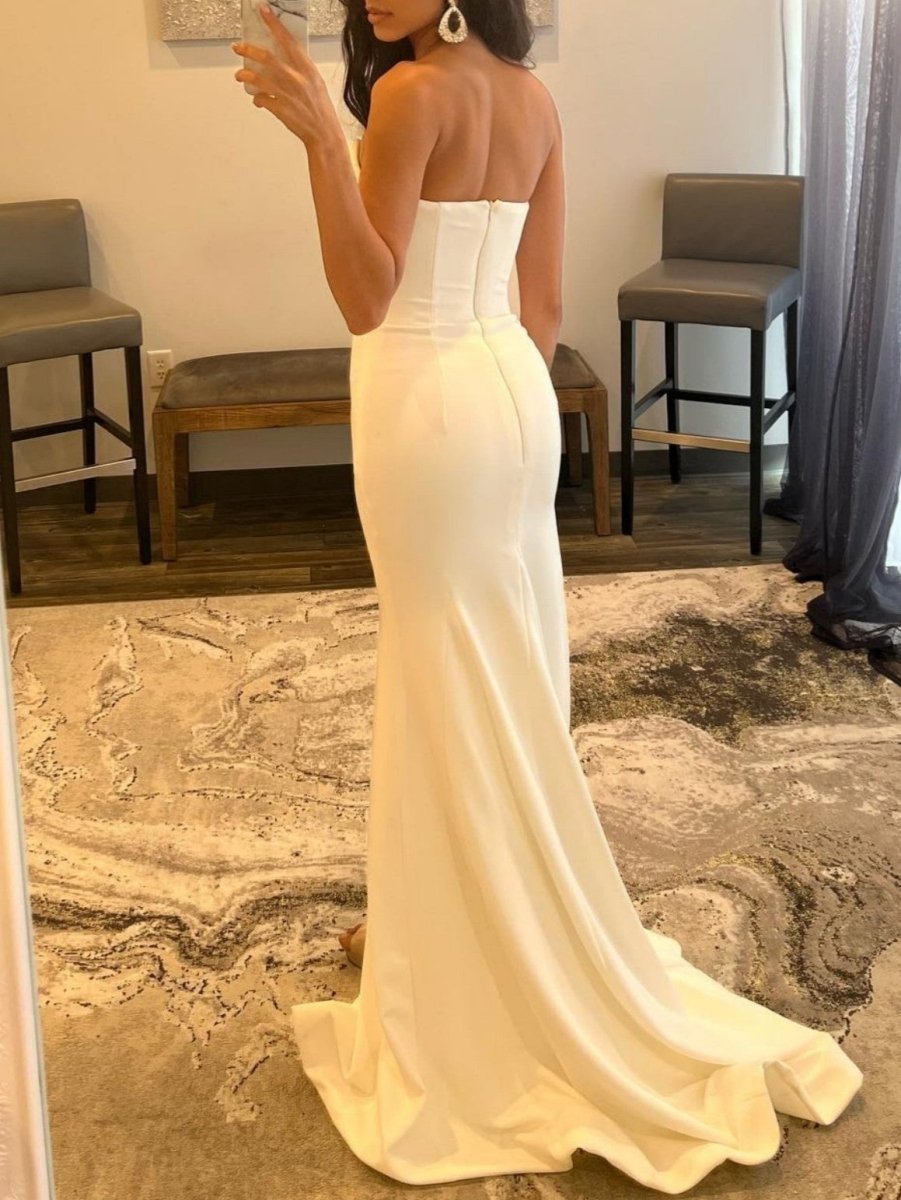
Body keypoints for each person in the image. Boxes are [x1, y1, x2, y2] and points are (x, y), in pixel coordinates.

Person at [231, 1, 863, 1190]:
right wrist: (506, 404)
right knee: (501, 665)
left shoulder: (409, 94)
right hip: (510, 395)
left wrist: (321, 136)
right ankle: (435, 920)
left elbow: (366, 299)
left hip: (423, 398)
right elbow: (543, 310)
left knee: (441, 668)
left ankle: (456, 950)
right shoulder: (530, 97)